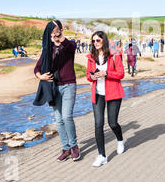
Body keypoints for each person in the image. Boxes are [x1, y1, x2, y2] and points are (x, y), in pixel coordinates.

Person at [33, 20, 80, 162]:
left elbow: (71, 46)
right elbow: (37, 68)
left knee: (66, 117)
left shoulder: (69, 45)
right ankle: (65, 148)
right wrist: (41, 76)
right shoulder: (48, 49)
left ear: (61, 29)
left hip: (68, 85)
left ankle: (74, 147)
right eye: (52, 31)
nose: (54, 34)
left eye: (56, 30)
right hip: (53, 87)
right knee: (59, 120)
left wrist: (60, 38)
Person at [86, 31, 125, 167]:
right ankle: (102, 155)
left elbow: (121, 74)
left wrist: (106, 73)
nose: (95, 43)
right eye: (93, 41)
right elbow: (88, 76)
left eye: (98, 40)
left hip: (113, 93)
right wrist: (93, 76)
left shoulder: (114, 55)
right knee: (98, 125)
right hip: (97, 94)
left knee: (112, 123)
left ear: (104, 41)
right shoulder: (91, 56)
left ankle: (120, 139)